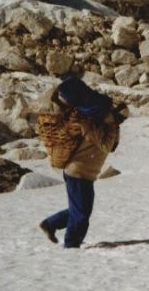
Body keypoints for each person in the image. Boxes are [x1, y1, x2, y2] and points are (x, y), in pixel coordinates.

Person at [38, 79, 125, 248]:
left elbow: (111, 146)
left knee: (81, 210)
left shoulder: (104, 126)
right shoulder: (96, 125)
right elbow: (106, 145)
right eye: (120, 117)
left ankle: (50, 224)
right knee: (82, 213)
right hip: (78, 172)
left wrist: (113, 126)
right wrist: (111, 124)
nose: (121, 120)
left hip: (83, 173)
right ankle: (71, 244)